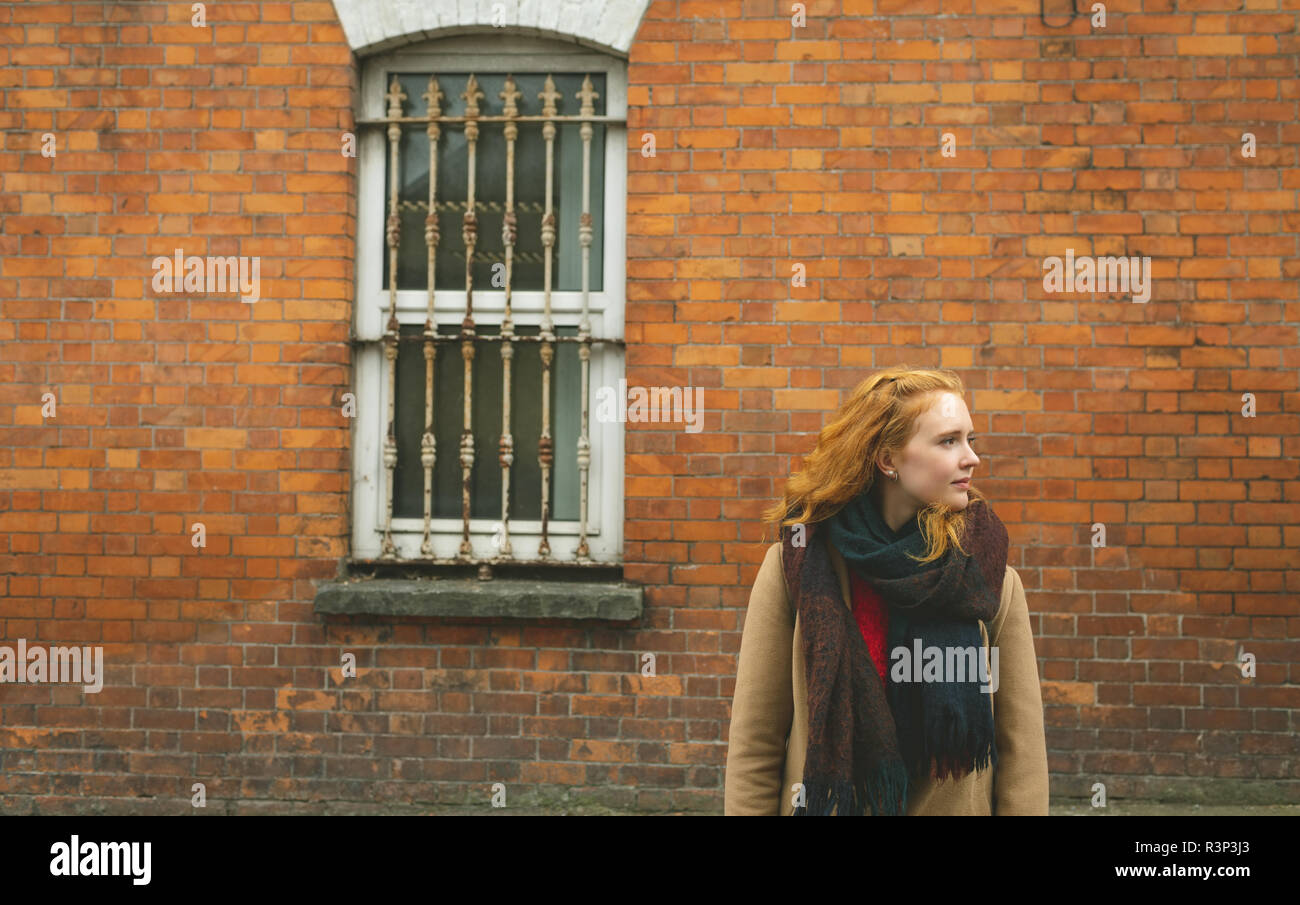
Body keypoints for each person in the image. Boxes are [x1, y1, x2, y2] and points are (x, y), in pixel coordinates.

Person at [724, 366, 1049, 815]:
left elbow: (1022, 751)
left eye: (971, 440)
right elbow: (756, 741)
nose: (971, 457)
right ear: (888, 460)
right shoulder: (795, 569)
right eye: (948, 440)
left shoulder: (987, 575)